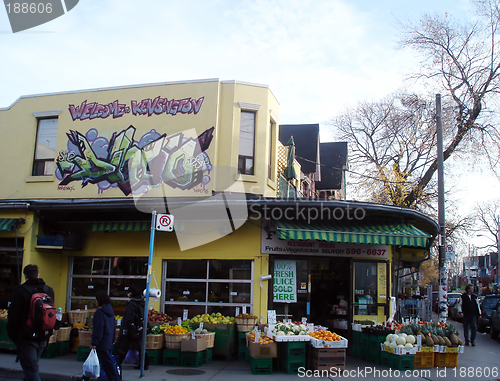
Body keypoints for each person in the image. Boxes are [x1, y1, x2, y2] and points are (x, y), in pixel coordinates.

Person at [7, 264, 56, 381]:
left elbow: (13, 317)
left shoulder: (20, 291)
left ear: (25, 276)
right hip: (44, 335)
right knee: (31, 368)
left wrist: (15, 336)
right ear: (38, 275)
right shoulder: (48, 290)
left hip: (26, 337)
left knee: (31, 371)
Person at [82, 290, 121, 381]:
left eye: (96, 300)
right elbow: (113, 326)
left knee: (107, 365)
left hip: (102, 343)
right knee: (106, 363)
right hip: (108, 341)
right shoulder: (110, 312)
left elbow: (98, 328)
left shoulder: (99, 312)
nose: (95, 302)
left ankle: (85, 378)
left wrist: (94, 342)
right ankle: (85, 378)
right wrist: (112, 340)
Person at [116, 285, 149, 370]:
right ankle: (144, 364)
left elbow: (129, 318)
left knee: (123, 346)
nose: (128, 294)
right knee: (139, 346)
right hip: (138, 328)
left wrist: (127, 327)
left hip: (131, 329)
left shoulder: (132, 304)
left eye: (129, 292)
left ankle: (117, 363)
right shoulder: (141, 302)